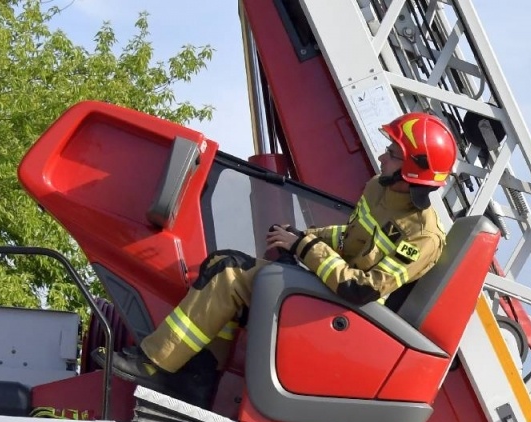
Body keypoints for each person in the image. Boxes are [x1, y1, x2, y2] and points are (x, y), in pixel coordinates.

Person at [100, 112, 458, 405]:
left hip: (344, 317)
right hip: (326, 294)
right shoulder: (379, 189)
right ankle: (195, 382)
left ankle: (153, 363)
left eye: (392, 153)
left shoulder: (422, 237)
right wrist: (305, 235)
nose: (381, 157)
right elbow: (351, 238)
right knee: (219, 264)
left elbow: (360, 289)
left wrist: (304, 247)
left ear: (412, 170)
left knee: (228, 276)